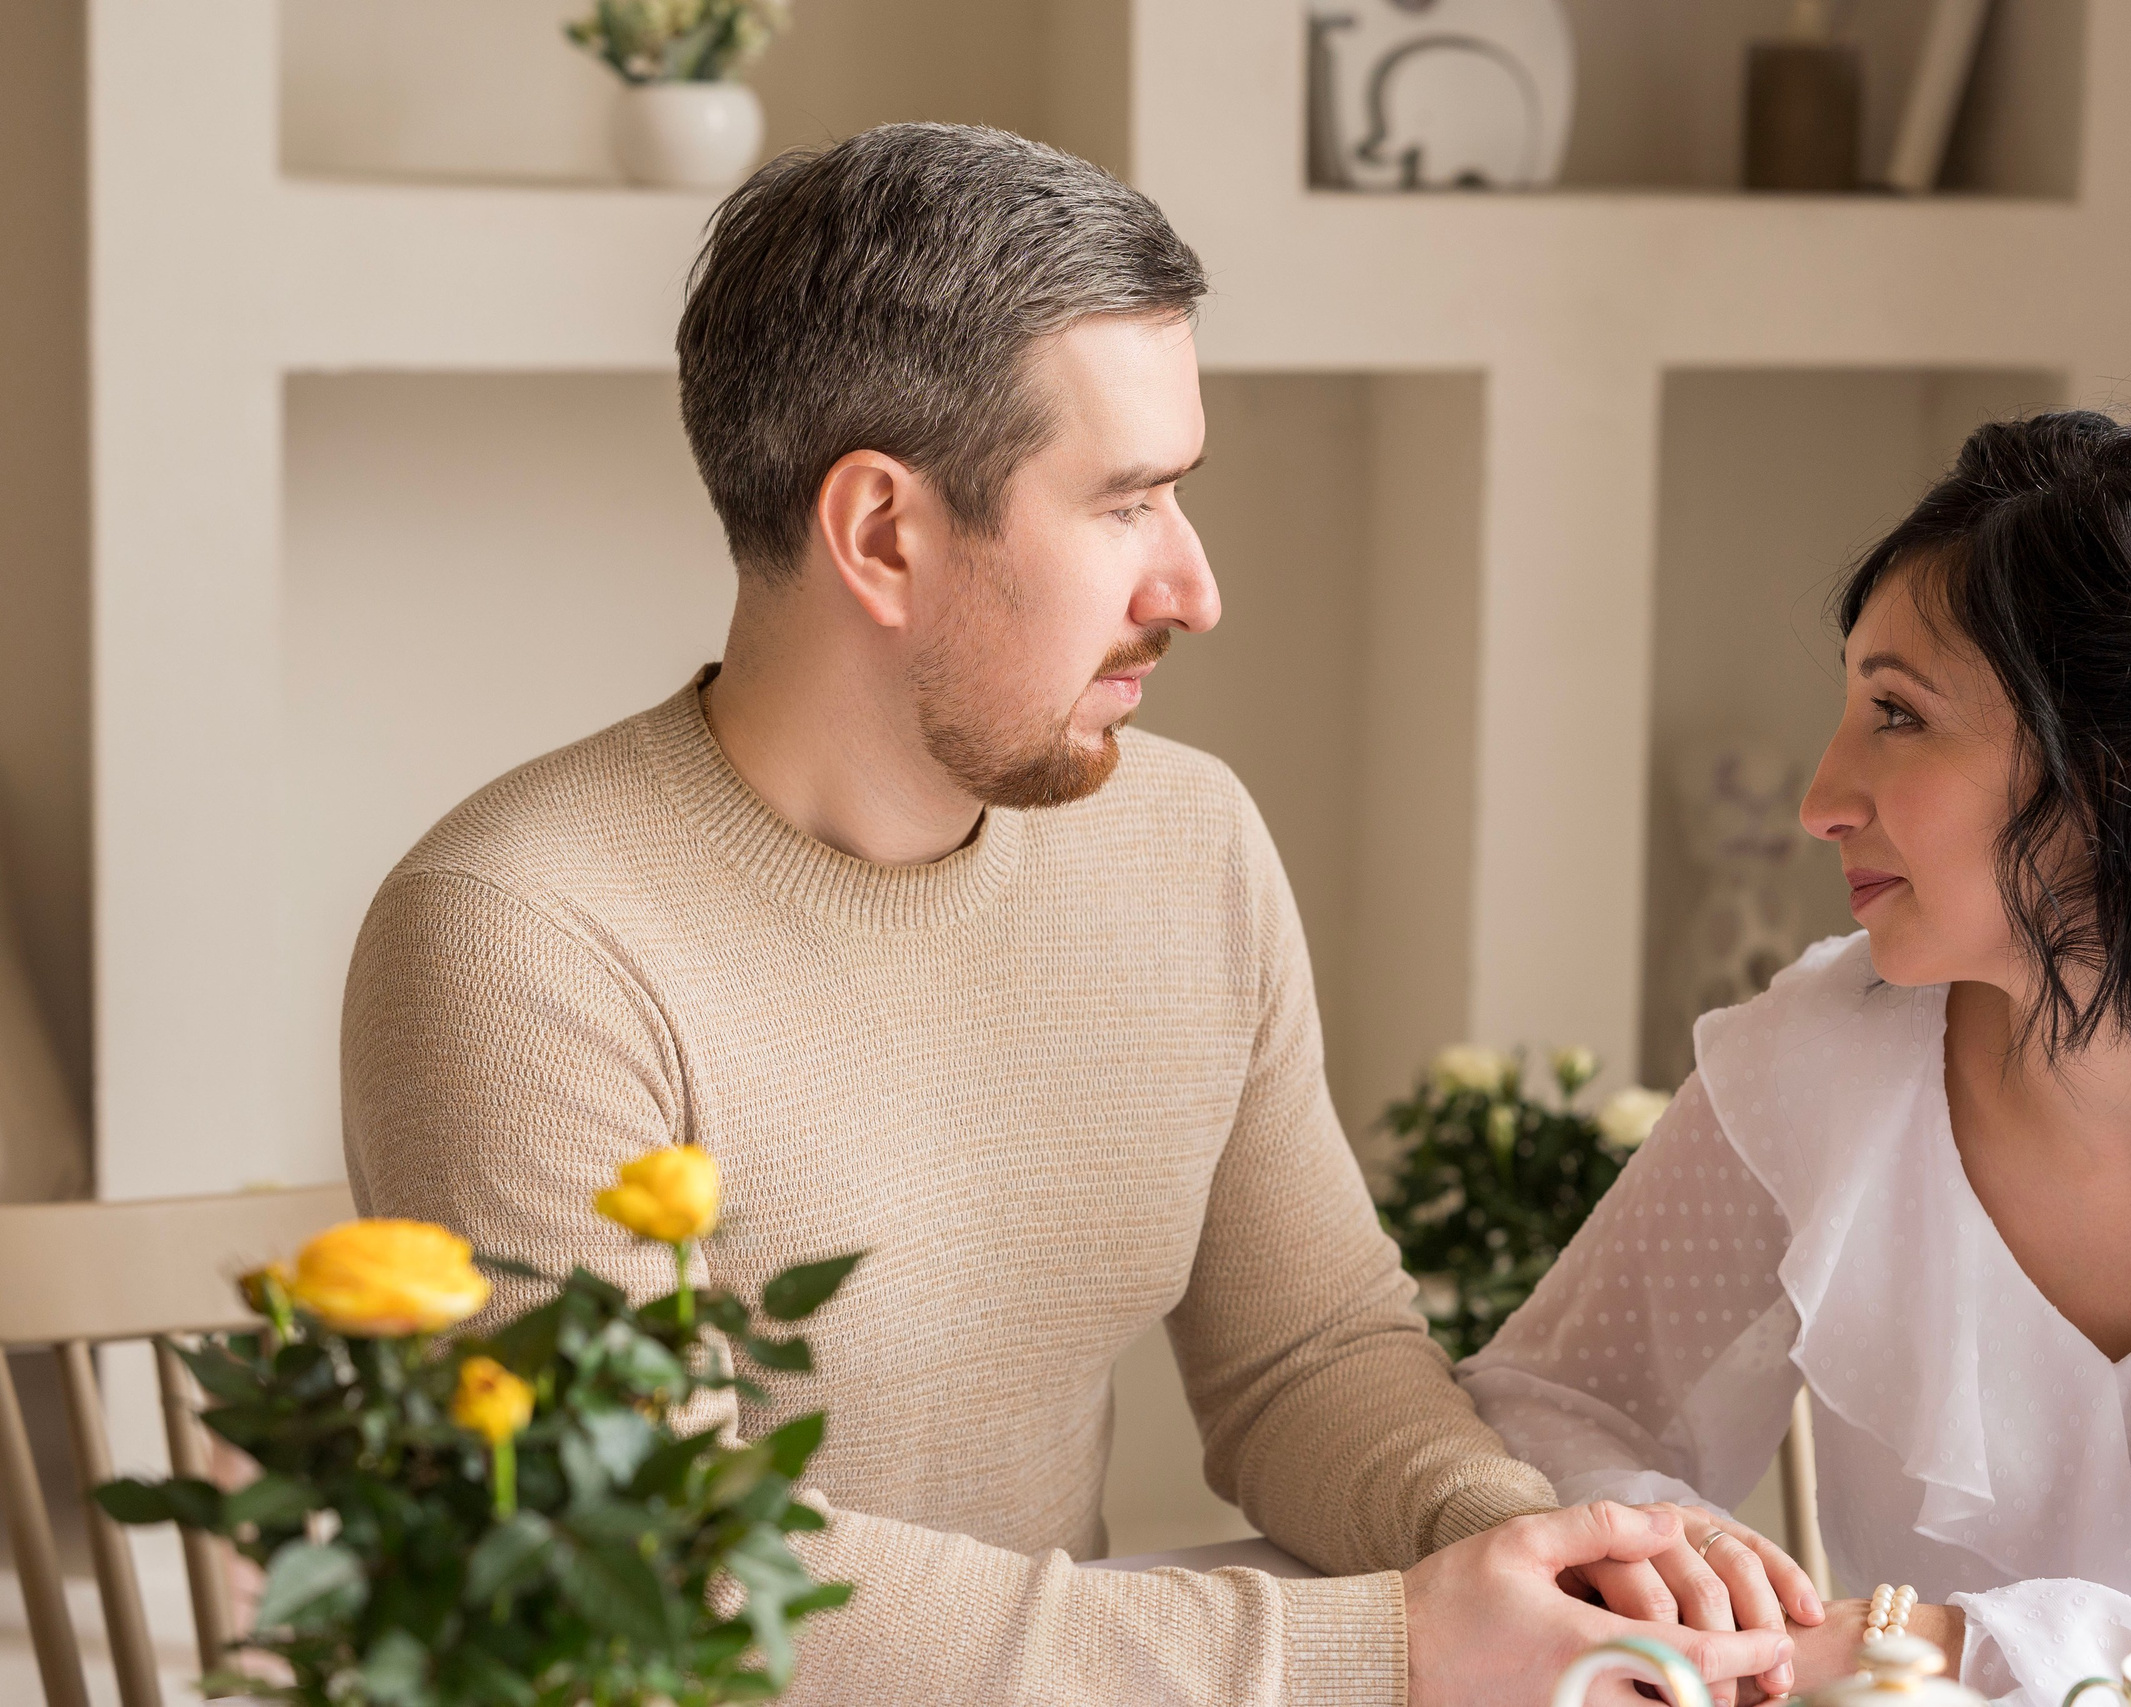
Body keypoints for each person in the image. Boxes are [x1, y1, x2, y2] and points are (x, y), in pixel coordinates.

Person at [339, 124, 1800, 1705]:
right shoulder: (516, 940)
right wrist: (1384, 1647)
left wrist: (1525, 1554)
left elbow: (1306, 1356)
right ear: (883, 533)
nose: (1194, 586)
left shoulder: (1186, 844)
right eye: (1127, 505)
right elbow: (646, 1559)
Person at [1461, 412, 2131, 1706]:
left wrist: (1903, 1649)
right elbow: (1546, 1403)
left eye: (1898, 715)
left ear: (2126, 760)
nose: (1824, 795)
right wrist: (1687, 1562)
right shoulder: (1820, 1060)